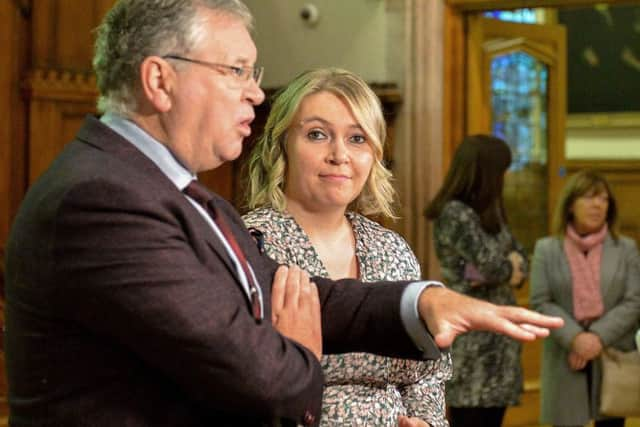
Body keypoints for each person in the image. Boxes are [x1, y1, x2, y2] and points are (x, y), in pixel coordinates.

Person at [3, 1, 563, 426]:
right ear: (160, 81)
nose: (254, 93)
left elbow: (303, 294)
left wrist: (425, 300)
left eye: (252, 73)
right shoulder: (104, 201)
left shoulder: (178, 194)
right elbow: (258, 376)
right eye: (237, 71)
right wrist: (299, 350)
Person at [243, 68, 452, 427]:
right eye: (317, 135)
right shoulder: (251, 245)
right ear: (282, 145)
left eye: (357, 139)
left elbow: (428, 372)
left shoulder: (392, 249)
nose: (339, 155)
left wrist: (427, 421)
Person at [424, 134, 527, 427]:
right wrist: (506, 267)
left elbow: (521, 260)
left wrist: (503, 267)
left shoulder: (491, 213)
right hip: (473, 341)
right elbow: (493, 265)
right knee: (470, 418)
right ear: (486, 173)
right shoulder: (455, 213)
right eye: (502, 172)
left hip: (499, 341)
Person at [529, 169, 640, 427]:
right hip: (566, 354)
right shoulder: (547, 249)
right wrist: (576, 338)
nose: (597, 205)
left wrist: (596, 338)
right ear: (570, 205)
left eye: (604, 199)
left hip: (613, 354)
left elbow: (634, 300)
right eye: (589, 197)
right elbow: (541, 301)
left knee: (611, 421)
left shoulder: (625, 248)